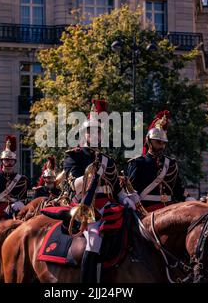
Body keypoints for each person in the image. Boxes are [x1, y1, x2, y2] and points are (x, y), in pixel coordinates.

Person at [63, 99, 136, 283]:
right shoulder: (75, 155)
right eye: (91, 131)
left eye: (98, 132)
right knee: (94, 241)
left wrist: (127, 199)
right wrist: (91, 174)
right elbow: (73, 184)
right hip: (85, 206)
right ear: (84, 134)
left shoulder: (108, 160)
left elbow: (116, 188)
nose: (95, 135)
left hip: (108, 206)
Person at [127, 110, 186, 212]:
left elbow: (178, 189)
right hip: (146, 210)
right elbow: (131, 189)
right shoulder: (138, 163)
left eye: (163, 143)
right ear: (149, 142)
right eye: (158, 142)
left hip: (169, 209)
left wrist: (188, 198)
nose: (161, 146)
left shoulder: (171, 164)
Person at [0, 135, 29, 221]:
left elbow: (24, 200)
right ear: (1, 161)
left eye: (11, 161)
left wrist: (18, 204)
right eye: (6, 160)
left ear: (15, 162)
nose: (9, 163)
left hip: (15, 214)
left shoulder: (21, 179)